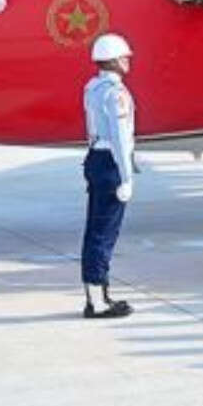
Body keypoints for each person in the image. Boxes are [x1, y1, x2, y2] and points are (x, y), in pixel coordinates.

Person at [81, 32, 137, 319]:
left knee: (94, 230)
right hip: (111, 162)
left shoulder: (92, 87)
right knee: (104, 233)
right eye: (124, 57)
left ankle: (96, 294)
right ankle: (98, 301)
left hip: (95, 157)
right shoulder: (116, 93)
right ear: (114, 60)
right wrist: (127, 177)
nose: (128, 61)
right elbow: (120, 138)